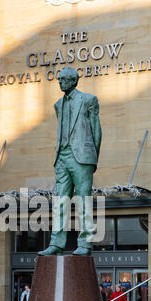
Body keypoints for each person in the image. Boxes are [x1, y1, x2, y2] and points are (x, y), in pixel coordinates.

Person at [38, 66, 102, 257]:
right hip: (62, 157)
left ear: (74, 81)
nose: (60, 82)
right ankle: (56, 243)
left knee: (84, 200)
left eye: (64, 79)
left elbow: (96, 130)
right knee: (60, 202)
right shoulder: (58, 104)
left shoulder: (88, 100)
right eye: (59, 79)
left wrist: (92, 158)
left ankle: (85, 243)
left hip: (82, 158)